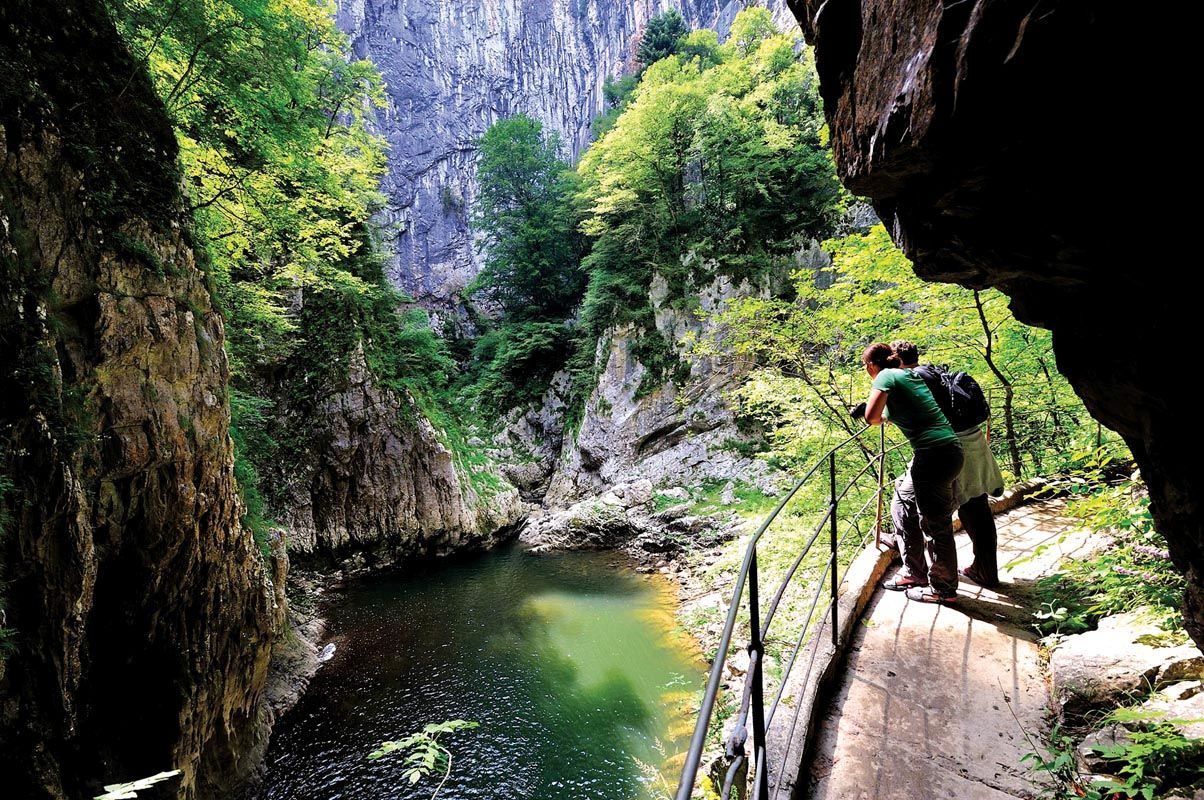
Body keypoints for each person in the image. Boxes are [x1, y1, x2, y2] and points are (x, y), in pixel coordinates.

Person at [853, 343, 964, 603]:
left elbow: (872, 418)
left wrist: (867, 413)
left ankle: (943, 589)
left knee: (935, 524)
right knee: (902, 503)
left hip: (934, 455)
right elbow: (893, 414)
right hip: (944, 452)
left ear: (870, 366)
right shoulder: (908, 375)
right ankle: (914, 571)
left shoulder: (885, 376)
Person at [891, 341, 1005, 587]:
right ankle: (986, 571)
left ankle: (916, 572)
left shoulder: (910, 380)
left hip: (947, 448)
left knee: (905, 504)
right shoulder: (933, 373)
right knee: (976, 507)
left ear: (896, 360)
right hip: (974, 443)